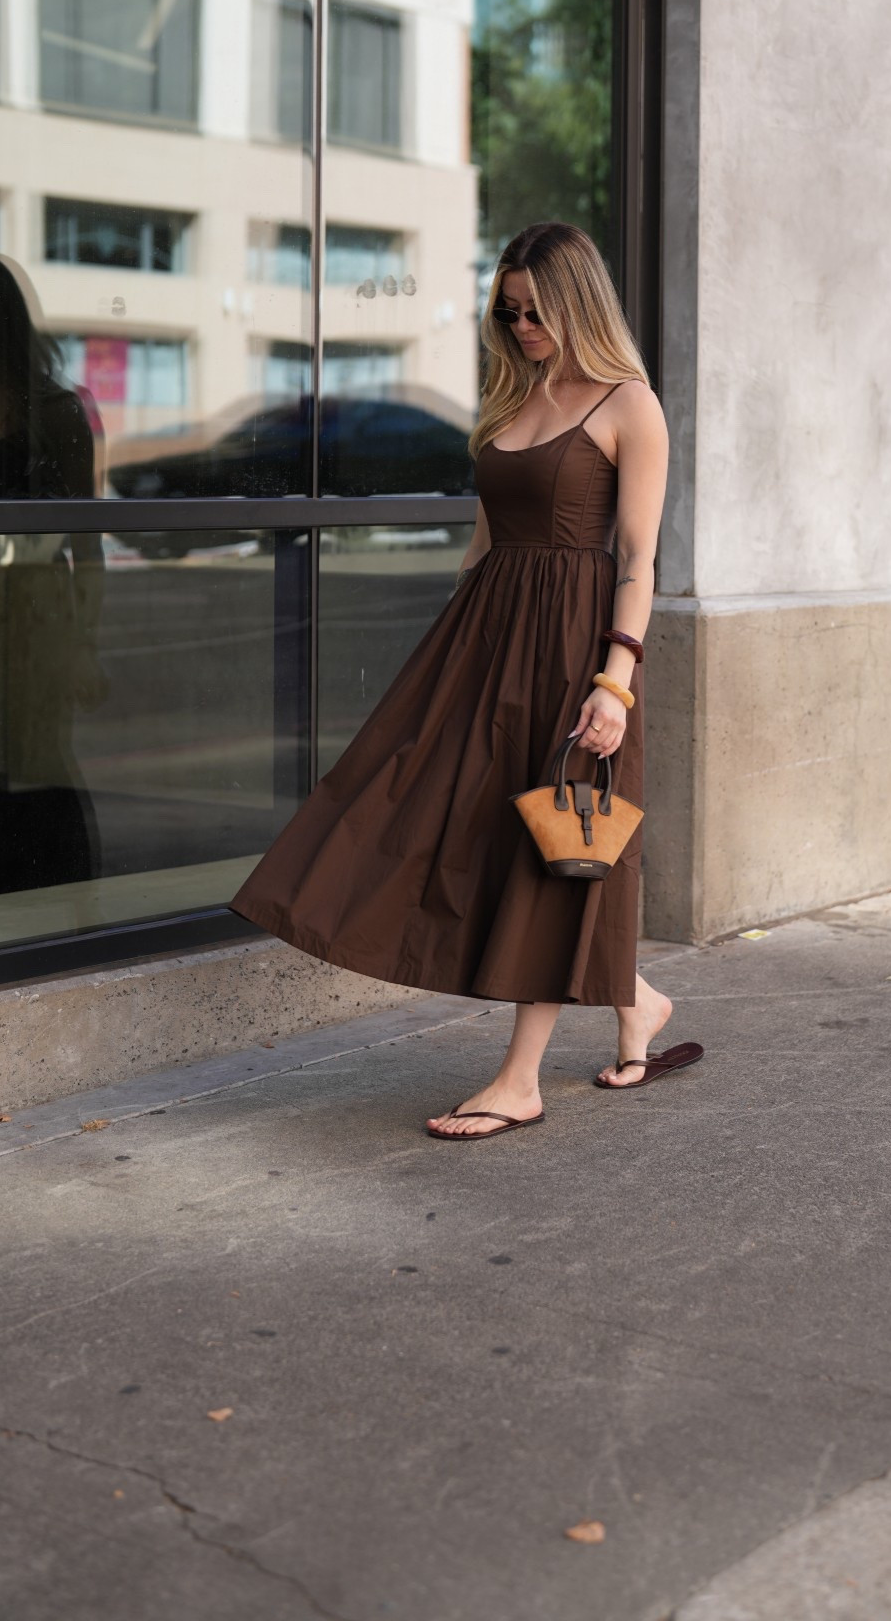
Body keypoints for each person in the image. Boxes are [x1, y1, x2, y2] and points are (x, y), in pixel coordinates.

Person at [231, 221, 702, 1138]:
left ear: (576, 303)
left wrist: (615, 683)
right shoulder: (515, 394)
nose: (521, 326)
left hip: (572, 644)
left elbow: (638, 559)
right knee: (438, 810)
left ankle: (519, 1079)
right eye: (508, 310)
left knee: (552, 845)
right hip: (488, 634)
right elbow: (490, 533)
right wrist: (456, 634)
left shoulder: (627, 404)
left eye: (535, 311)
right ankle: (635, 1001)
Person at [0, 253, 105, 897]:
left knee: (33, 763)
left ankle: (57, 890)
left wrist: (83, 644)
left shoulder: (55, 412)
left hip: (34, 605)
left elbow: (88, 544)